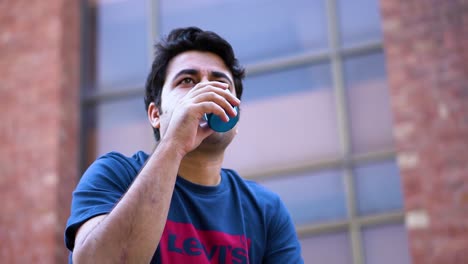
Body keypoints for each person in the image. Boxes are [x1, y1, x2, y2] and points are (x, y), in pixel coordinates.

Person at [65, 27, 303, 263]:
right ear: (155, 114)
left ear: (235, 113)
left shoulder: (265, 210)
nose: (207, 91)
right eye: (187, 81)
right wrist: (175, 142)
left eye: (221, 83)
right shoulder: (114, 174)